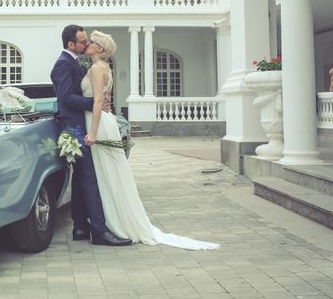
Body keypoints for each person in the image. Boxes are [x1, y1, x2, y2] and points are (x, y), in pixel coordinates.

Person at [82, 30, 220, 250]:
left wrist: (93, 132)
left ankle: (115, 223)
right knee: (110, 175)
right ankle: (112, 220)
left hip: (98, 123)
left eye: (91, 42)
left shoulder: (97, 68)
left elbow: (98, 100)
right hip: (105, 121)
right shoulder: (104, 67)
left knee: (108, 175)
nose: (86, 44)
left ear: (99, 48)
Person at [50, 25, 132, 246]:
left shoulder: (76, 62)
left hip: (84, 124)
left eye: (88, 41)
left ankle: (80, 227)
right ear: (70, 44)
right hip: (75, 127)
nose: (86, 44)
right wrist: (95, 103)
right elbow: (66, 97)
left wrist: (97, 103)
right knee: (88, 178)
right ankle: (99, 230)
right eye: (82, 41)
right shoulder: (63, 65)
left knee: (81, 178)